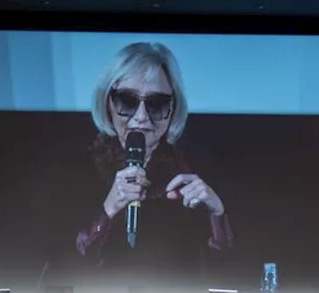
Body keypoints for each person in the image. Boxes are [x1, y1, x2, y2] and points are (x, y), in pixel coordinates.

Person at [74, 42, 233, 272]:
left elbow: (227, 272)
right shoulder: (75, 168)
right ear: (108, 102)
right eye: (127, 101)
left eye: (156, 104)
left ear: (173, 108)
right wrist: (108, 210)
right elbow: (60, 266)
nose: (141, 117)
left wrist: (217, 212)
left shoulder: (195, 171)